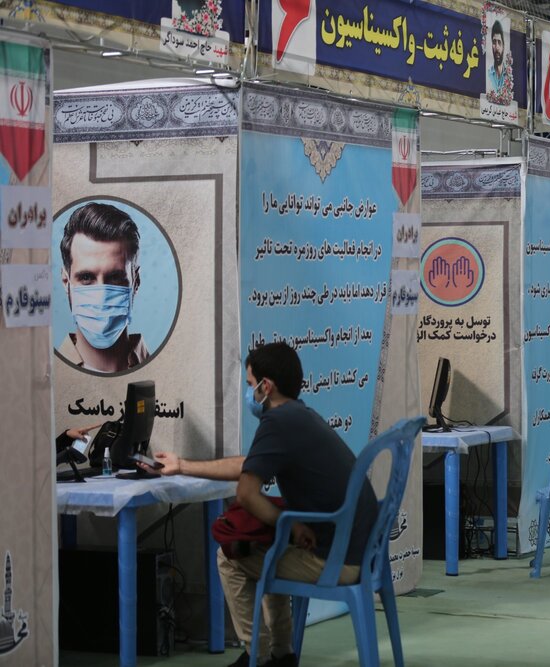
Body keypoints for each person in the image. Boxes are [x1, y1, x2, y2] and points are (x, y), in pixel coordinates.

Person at [143, 343, 378, 667]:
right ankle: (280, 654)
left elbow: (245, 494)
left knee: (231, 557)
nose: (248, 392)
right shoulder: (300, 415)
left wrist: (290, 526)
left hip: (338, 560)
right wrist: (182, 465)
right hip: (360, 550)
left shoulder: (278, 422)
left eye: (250, 384)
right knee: (267, 544)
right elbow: (250, 464)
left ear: (266, 387)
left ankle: (259, 656)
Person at [56, 202, 149, 373]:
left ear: (136, 282)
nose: (101, 297)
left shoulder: (168, 371)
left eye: (115, 277)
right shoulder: (43, 373)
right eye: (86, 277)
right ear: (66, 282)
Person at [488, 19, 509, 96]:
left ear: (503, 46)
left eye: (499, 42)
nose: (497, 47)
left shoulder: (509, 76)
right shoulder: (488, 74)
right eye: (494, 42)